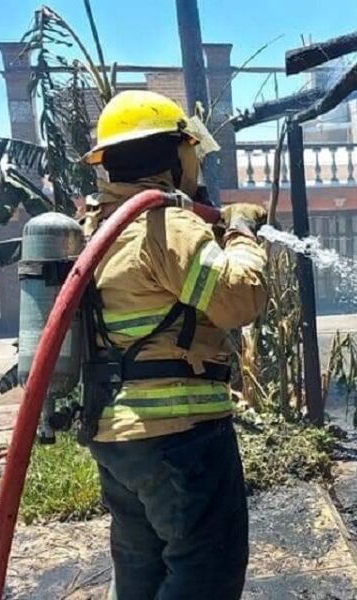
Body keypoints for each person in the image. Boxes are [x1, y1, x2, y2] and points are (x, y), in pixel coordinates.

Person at [80, 90, 267, 599]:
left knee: (141, 572)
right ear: (172, 153)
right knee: (206, 571)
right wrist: (244, 231)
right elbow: (241, 299)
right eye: (191, 150)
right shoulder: (164, 223)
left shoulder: (96, 229)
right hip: (179, 437)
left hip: (119, 438)